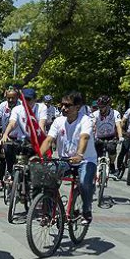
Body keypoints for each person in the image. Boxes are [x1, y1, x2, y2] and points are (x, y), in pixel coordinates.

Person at [40, 91, 96, 224]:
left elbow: (84, 137)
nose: (63, 108)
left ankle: (86, 210)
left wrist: (79, 155)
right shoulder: (59, 121)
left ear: (77, 107)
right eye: (62, 105)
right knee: (48, 180)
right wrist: (39, 155)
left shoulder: (85, 120)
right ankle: (48, 214)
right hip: (65, 160)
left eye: (67, 105)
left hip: (85, 160)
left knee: (83, 183)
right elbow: (49, 139)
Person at [0, 88, 18, 189]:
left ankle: (16, 178)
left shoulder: (21, 106)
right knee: (2, 158)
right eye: (8, 98)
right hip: (5, 137)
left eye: (13, 98)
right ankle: (1, 179)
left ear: (17, 97)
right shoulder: (2, 106)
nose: (11, 100)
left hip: (18, 137)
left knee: (16, 159)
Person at [91, 95, 123, 175]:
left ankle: (112, 165)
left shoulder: (115, 113)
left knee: (112, 150)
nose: (100, 109)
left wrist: (120, 136)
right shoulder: (95, 114)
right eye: (99, 107)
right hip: (99, 137)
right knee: (97, 156)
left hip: (111, 136)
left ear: (108, 106)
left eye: (102, 107)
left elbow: (118, 125)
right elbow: (92, 125)